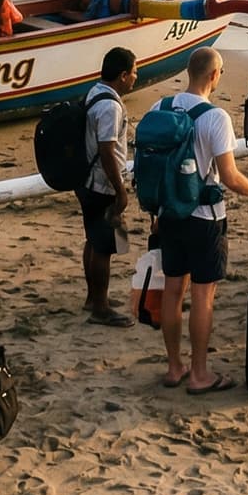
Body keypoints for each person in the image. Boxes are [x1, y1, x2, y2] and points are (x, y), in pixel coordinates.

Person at [156, 47, 248, 394]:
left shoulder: (160, 108)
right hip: (204, 217)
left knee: (172, 289)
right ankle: (199, 373)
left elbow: (155, 168)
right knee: (202, 295)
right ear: (214, 75)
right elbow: (230, 177)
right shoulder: (215, 118)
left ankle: (174, 366)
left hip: (169, 213)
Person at [81, 47, 137, 327]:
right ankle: (100, 308)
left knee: (92, 239)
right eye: (133, 73)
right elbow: (107, 149)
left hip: (88, 180)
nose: (135, 78)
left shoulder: (94, 92)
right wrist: (120, 189)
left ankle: (93, 297)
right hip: (102, 183)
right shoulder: (112, 107)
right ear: (123, 75)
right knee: (104, 246)